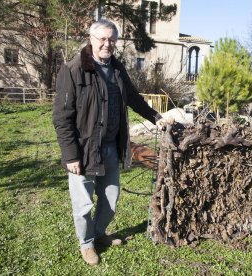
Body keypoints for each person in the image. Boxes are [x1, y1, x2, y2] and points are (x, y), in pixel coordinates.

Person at [52, 19, 165, 266]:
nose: (107, 44)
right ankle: (86, 244)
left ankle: (99, 232)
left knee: (111, 199)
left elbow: (133, 98)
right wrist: (70, 155)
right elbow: (62, 118)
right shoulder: (72, 70)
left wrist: (156, 117)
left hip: (112, 147)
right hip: (83, 150)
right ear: (91, 39)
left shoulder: (116, 68)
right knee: (83, 204)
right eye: (102, 38)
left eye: (112, 39)